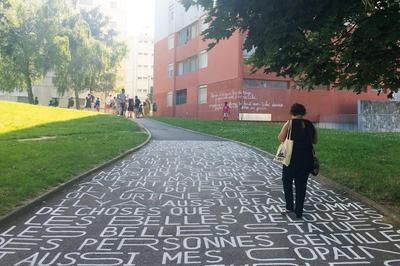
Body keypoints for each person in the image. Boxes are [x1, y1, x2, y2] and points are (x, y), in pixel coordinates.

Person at [278, 103, 318, 219]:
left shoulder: (289, 123)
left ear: (292, 112)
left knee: (287, 181)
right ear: (303, 112)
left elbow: (281, 138)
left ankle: (289, 206)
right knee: (301, 185)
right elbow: (315, 141)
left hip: (291, 158)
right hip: (306, 159)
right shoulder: (310, 124)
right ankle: (299, 211)